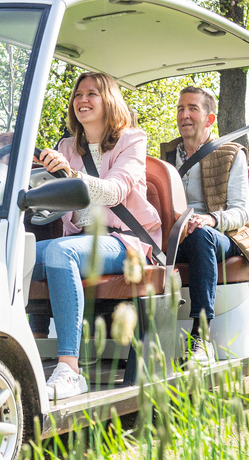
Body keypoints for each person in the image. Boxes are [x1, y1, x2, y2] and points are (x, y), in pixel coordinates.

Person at [32, 72, 162, 399]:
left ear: (109, 101)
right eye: (78, 94)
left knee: (61, 253)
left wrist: (71, 174)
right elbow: (56, 203)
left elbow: (116, 192)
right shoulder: (66, 146)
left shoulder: (131, 139)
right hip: (79, 240)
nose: (82, 100)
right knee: (10, 252)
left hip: (125, 240)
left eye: (92, 93)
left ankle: (69, 369)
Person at [159, 87, 249, 365]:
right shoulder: (165, 156)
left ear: (210, 119)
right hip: (175, 236)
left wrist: (211, 219)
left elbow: (241, 211)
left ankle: (201, 340)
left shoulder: (231, 153)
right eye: (180, 109)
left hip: (222, 236)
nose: (185, 115)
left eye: (192, 108)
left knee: (202, 235)